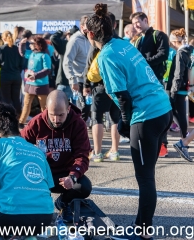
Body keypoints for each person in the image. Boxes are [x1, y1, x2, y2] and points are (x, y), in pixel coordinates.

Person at [85, 4, 172, 239]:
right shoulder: (124, 44)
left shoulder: (106, 56)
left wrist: (125, 122)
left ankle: (143, 232)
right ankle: (140, 224)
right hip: (163, 108)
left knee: (145, 179)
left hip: (147, 116)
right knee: (148, 174)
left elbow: (122, 97)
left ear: (91, 35)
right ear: (113, 27)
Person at [0, 103, 54, 239]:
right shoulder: (37, 151)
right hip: (44, 220)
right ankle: (27, 236)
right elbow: (47, 187)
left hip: (9, 219)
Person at [21, 90, 92, 222]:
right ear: (46, 109)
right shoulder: (37, 123)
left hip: (65, 174)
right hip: (42, 173)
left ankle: (63, 203)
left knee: (84, 186)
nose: (56, 120)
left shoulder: (78, 124)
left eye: (61, 115)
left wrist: (73, 177)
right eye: (52, 115)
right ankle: (32, 208)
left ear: (68, 109)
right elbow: (19, 145)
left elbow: (82, 156)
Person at [130, 11, 170, 157]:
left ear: (145, 20)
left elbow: (164, 54)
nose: (136, 26)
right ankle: (148, 142)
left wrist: (145, 63)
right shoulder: (136, 40)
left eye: (137, 22)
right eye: (134, 24)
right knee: (145, 114)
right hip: (140, 83)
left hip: (156, 81)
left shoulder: (158, 35)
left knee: (160, 112)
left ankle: (163, 145)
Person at [83, 12, 121, 162]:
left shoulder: (98, 42)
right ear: (114, 25)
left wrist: (86, 84)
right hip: (117, 85)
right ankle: (115, 151)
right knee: (115, 119)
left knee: (96, 118)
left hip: (100, 85)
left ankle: (97, 153)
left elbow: (89, 64)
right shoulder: (120, 42)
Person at [167, 28, 193, 162]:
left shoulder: (181, 53)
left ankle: (184, 142)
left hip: (178, 88)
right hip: (185, 88)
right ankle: (184, 141)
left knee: (176, 115)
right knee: (179, 116)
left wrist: (173, 91)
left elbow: (178, 74)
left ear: (174, 40)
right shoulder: (190, 51)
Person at [18, 36, 51, 129]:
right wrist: (22, 44)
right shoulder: (32, 53)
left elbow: (47, 69)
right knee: (26, 104)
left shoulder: (45, 55)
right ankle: (21, 122)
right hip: (30, 83)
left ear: (38, 45)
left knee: (43, 106)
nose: (30, 45)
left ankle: (47, 122)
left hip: (41, 84)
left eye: (32, 43)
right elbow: (22, 53)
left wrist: (36, 75)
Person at [63, 15, 91, 122]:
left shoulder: (92, 38)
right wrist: (72, 79)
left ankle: (81, 132)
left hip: (91, 80)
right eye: (88, 25)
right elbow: (67, 62)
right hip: (79, 80)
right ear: (82, 26)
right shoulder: (75, 40)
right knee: (82, 108)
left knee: (88, 109)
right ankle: (78, 134)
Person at [0, 31, 23, 116]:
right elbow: (21, 63)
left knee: (6, 99)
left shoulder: (1, 48)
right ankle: (18, 117)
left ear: (3, 38)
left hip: (5, 76)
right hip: (16, 76)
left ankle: (7, 117)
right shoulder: (17, 48)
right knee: (16, 98)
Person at [51, 26, 80, 100]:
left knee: (58, 105)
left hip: (64, 81)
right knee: (75, 108)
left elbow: (53, 38)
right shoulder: (82, 44)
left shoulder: (66, 44)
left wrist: (62, 33)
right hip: (77, 81)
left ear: (68, 35)